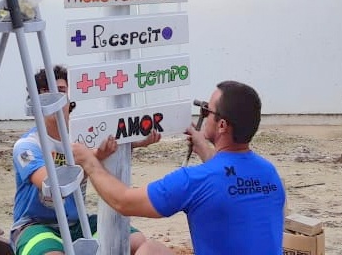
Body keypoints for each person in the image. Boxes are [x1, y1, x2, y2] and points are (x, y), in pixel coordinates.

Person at [72, 80, 286, 255]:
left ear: (222, 125)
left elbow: (124, 201)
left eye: (206, 110)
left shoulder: (195, 180)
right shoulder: (269, 173)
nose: (202, 113)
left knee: (150, 252)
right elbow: (229, 178)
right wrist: (203, 147)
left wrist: (90, 162)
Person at [11, 65, 160, 255]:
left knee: (137, 242)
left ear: (70, 97)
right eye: (45, 92)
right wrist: (94, 158)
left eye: (61, 91)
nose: (53, 98)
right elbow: (52, 185)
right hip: (36, 225)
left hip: (77, 223)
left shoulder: (83, 136)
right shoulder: (27, 146)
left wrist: (135, 141)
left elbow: (107, 146)